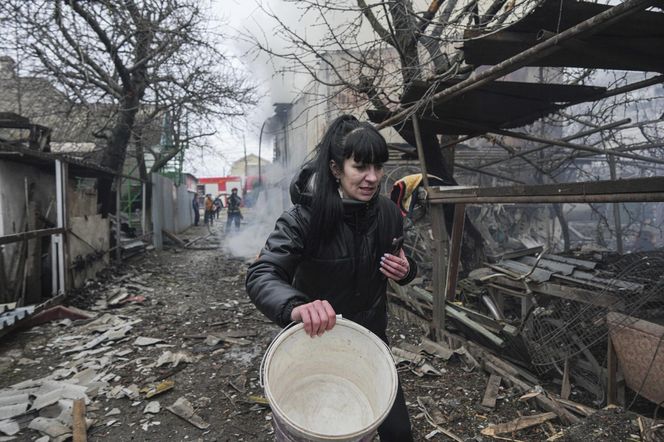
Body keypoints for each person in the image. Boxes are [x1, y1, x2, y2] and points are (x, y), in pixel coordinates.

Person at [246, 115, 417, 441]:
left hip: (370, 345)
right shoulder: (303, 219)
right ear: (336, 169)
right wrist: (297, 307)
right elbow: (262, 273)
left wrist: (407, 271)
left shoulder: (389, 214)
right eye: (361, 167)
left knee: (398, 432)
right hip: (315, 345)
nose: (372, 178)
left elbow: (404, 263)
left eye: (378, 167)